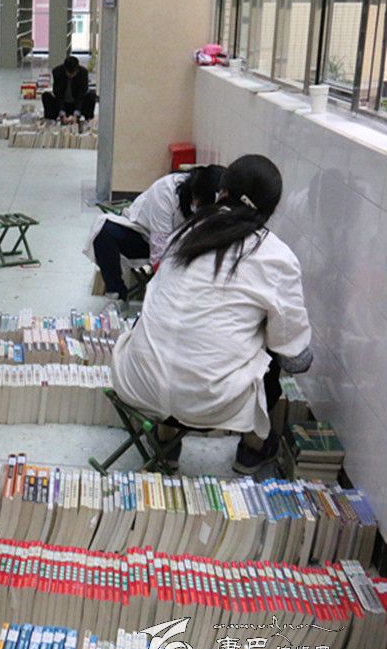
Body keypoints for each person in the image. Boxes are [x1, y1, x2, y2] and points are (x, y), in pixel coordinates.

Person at [110, 155, 313, 475]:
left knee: (172, 323)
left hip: (139, 386)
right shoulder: (277, 256)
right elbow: (295, 359)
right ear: (270, 209)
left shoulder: (185, 233)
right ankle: (253, 449)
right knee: (273, 344)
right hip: (209, 404)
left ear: (222, 191)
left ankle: (166, 444)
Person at [85, 165, 225, 305]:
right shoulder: (166, 190)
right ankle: (116, 296)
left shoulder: (220, 204)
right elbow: (159, 249)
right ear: (196, 194)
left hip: (184, 244)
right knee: (104, 231)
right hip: (145, 236)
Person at [43, 56, 97, 121]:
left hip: (77, 104)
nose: (71, 75)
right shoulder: (57, 72)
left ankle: (88, 120)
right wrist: (62, 114)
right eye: (69, 73)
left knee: (92, 95)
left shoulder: (83, 73)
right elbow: (58, 94)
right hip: (63, 103)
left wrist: (76, 114)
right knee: (46, 96)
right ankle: (50, 121)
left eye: (73, 73)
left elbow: (81, 95)